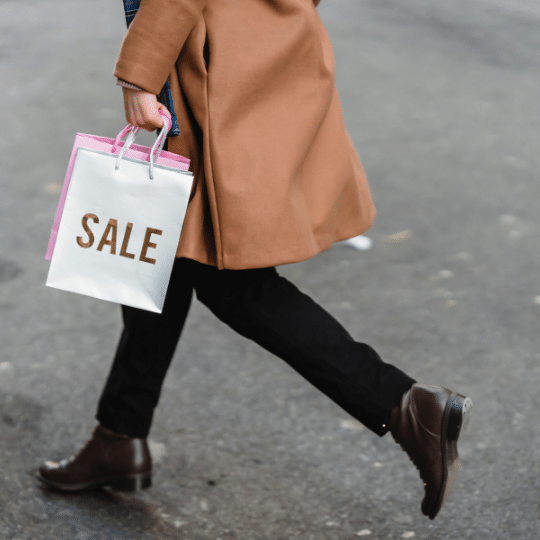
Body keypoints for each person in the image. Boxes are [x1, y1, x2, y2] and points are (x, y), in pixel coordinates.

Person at [37, 0, 472, 520]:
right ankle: (118, 435)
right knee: (166, 254)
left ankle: (403, 404)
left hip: (219, 61)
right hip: (265, 48)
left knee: (232, 282)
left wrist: (140, 72)